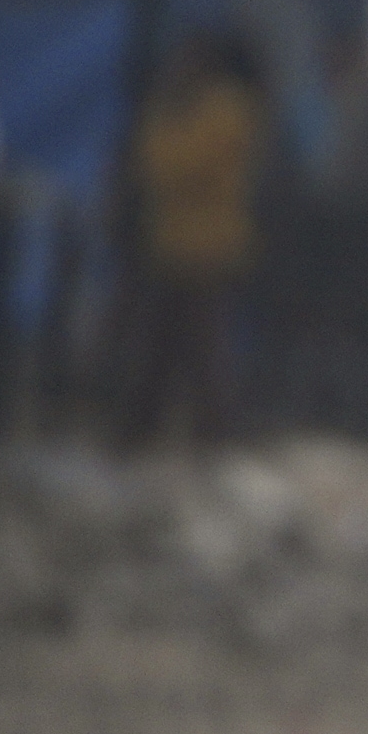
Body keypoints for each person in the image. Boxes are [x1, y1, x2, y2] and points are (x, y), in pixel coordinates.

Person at [115, 28, 270, 448]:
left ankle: (218, 440)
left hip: (209, 249)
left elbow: (172, 166)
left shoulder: (227, 110)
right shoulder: (178, 109)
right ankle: (139, 436)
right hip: (170, 247)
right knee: (157, 350)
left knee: (206, 352)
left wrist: (159, 126)